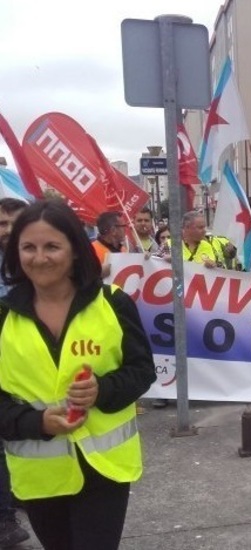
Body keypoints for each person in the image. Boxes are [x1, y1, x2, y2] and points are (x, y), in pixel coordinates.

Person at [0, 199, 156, 548]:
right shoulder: (3, 318)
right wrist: (36, 423)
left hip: (105, 471)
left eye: (52, 246)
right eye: (28, 247)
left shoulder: (113, 302)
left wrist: (102, 389)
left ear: (74, 250)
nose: (39, 258)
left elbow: (142, 371)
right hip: (39, 477)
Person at [0, 198, 30, 548]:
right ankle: (4, 517)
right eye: (2, 223)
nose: (7, 230)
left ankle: (17, 494)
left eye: (14, 223)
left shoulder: (41, 261)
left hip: (30, 369)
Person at [91, 211, 127, 278]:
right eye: (123, 226)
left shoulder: (123, 249)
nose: (125, 229)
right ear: (113, 230)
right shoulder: (91, 250)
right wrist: (98, 274)